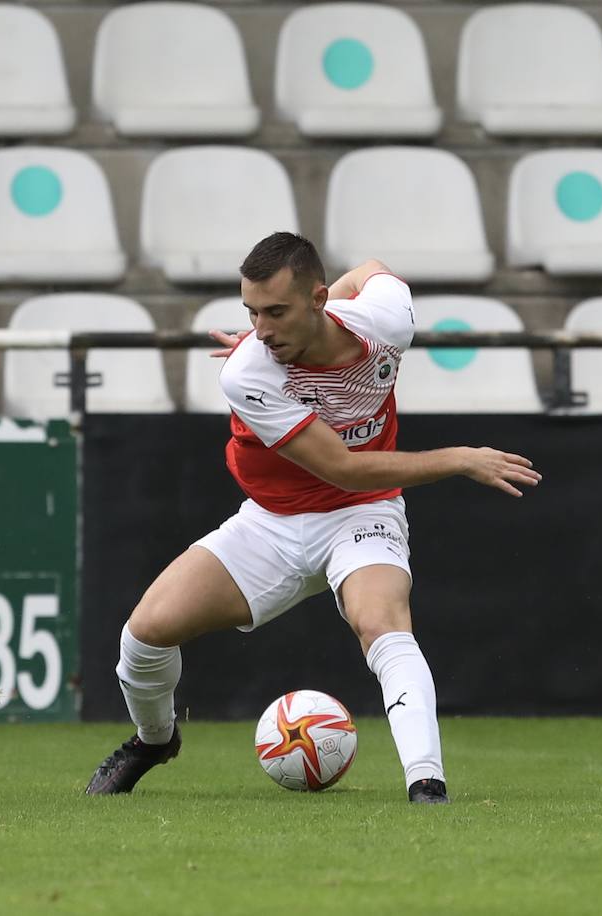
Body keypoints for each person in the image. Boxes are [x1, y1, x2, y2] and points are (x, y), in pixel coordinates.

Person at [85, 232, 541, 804]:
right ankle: (153, 741)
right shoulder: (249, 372)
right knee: (144, 637)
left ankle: (427, 783)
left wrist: (340, 292)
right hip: (270, 525)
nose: (261, 330)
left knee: (382, 623)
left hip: (361, 514)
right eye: (252, 313)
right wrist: (458, 458)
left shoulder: (387, 323)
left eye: (277, 311)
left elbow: (371, 267)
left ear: (320, 299)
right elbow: (342, 467)